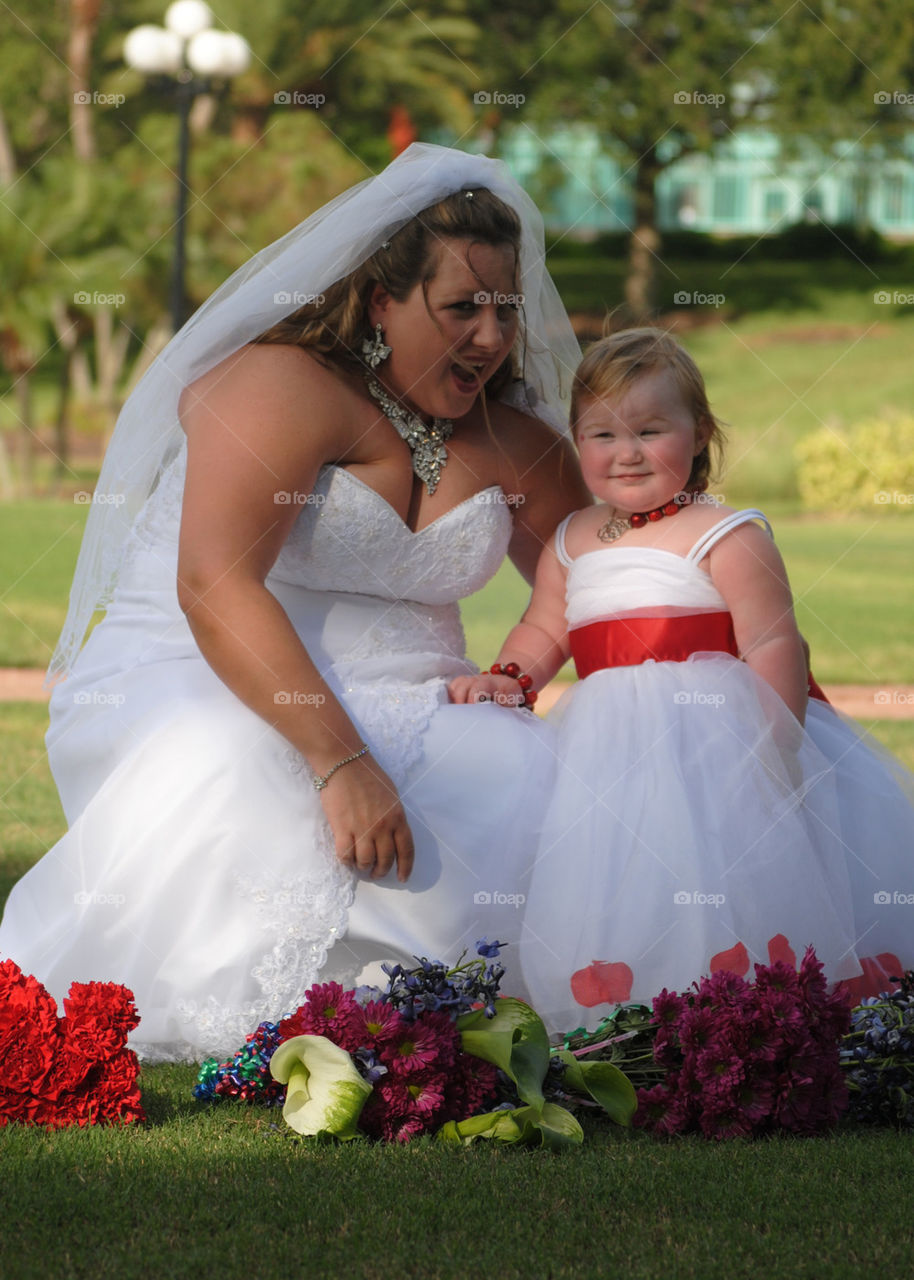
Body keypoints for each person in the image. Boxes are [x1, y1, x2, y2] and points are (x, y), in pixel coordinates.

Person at [0, 144, 591, 1062]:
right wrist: (341, 760)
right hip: (208, 663)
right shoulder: (281, 385)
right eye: (462, 307)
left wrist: (557, 675)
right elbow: (213, 584)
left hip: (415, 687)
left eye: (506, 308)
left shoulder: (512, 440)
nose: (491, 336)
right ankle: (268, 1011)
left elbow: (596, 576)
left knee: (518, 769)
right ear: (382, 300)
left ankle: (427, 1009)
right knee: (233, 761)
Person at [451, 328, 914, 1032]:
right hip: (606, 752)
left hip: (718, 745)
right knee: (622, 873)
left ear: (699, 434)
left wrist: (774, 746)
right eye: (602, 434)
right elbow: (545, 627)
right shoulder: (572, 539)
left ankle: (741, 1016)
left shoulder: (726, 533)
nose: (626, 452)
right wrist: (511, 675)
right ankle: (632, 1018)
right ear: (577, 441)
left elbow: (772, 640)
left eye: (649, 430)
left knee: (722, 869)